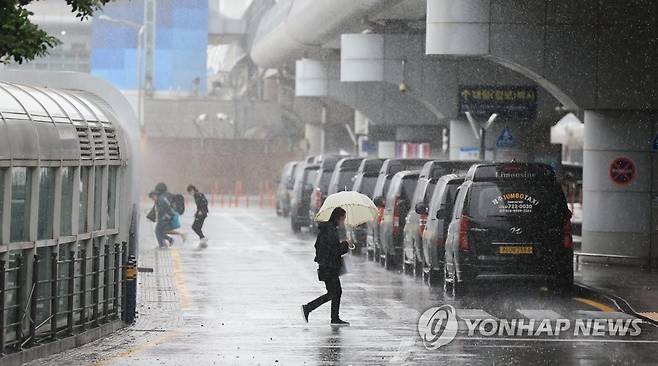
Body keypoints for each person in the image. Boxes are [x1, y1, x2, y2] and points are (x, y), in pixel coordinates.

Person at [301, 207, 351, 326]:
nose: (343, 222)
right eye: (343, 219)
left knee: (333, 293)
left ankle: (331, 316)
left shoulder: (328, 229)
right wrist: (346, 244)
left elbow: (323, 246)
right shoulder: (330, 231)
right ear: (338, 218)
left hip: (327, 266)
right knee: (335, 292)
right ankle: (309, 309)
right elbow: (335, 250)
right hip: (329, 268)